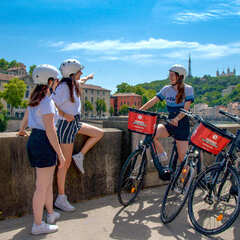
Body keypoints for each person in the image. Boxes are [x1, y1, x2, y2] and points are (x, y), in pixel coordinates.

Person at [18, 64, 66, 235]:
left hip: (35, 140)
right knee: (41, 187)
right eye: (57, 80)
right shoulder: (46, 101)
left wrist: (22, 129)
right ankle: (38, 224)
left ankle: (51, 214)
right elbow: (50, 130)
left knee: (45, 184)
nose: (58, 83)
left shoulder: (35, 99)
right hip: (44, 142)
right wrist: (61, 155)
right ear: (50, 81)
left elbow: (26, 116)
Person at [52, 59, 104, 212]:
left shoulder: (73, 84)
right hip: (66, 125)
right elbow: (51, 101)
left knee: (98, 133)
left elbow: (82, 79)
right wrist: (63, 114)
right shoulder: (63, 87)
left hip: (75, 123)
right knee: (64, 164)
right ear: (72, 73)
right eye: (79, 71)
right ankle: (61, 198)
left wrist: (89, 77)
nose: (81, 73)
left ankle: (80, 155)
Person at [140, 64, 194, 173]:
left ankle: (186, 183)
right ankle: (162, 154)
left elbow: (186, 109)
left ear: (180, 77)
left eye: (172, 75)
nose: (170, 77)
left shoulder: (188, 89)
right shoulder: (166, 89)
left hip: (182, 124)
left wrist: (177, 119)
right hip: (169, 122)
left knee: (182, 158)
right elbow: (154, 100)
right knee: (152, 133)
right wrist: (140, 109)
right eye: (169, 75)